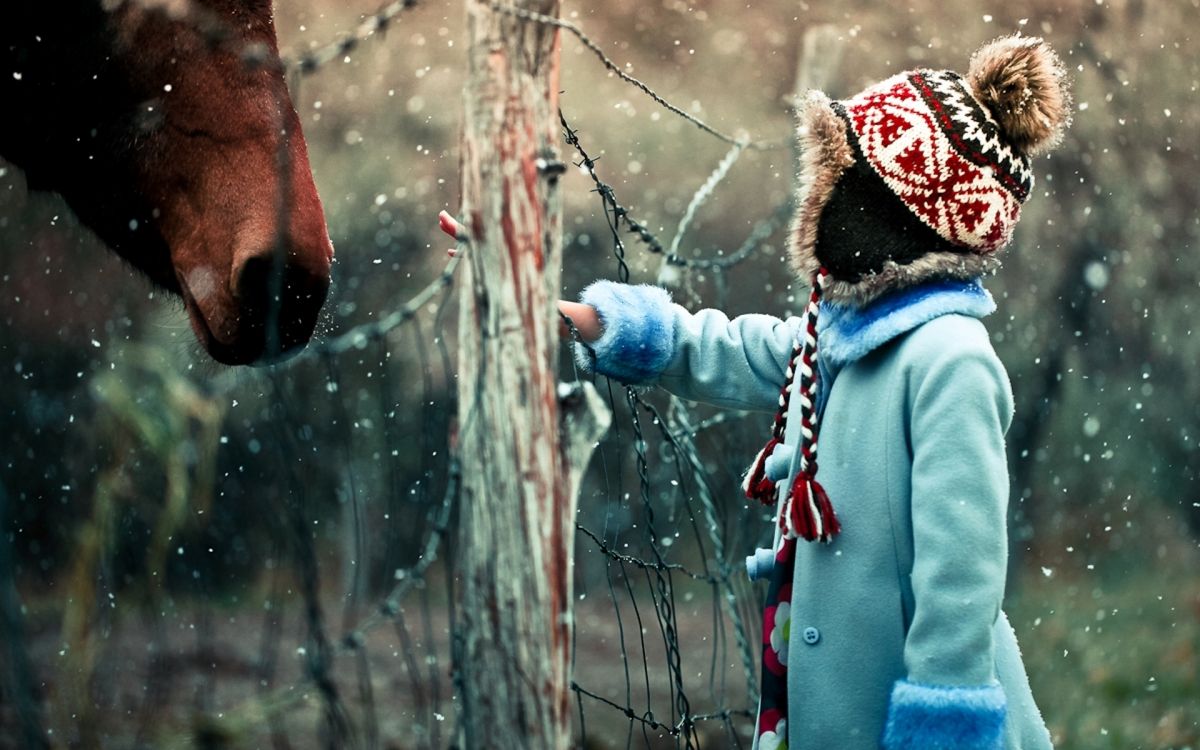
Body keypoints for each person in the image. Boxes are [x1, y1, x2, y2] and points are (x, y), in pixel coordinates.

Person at [441, 34, 1070, 750]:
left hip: (906, 726)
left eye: (844, 178)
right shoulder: (837, 342)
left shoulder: (948, 361)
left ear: (895, 210)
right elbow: (715, 347)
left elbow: (963, 579)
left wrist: (941, 728)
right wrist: (553, 308)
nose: (825, 198)